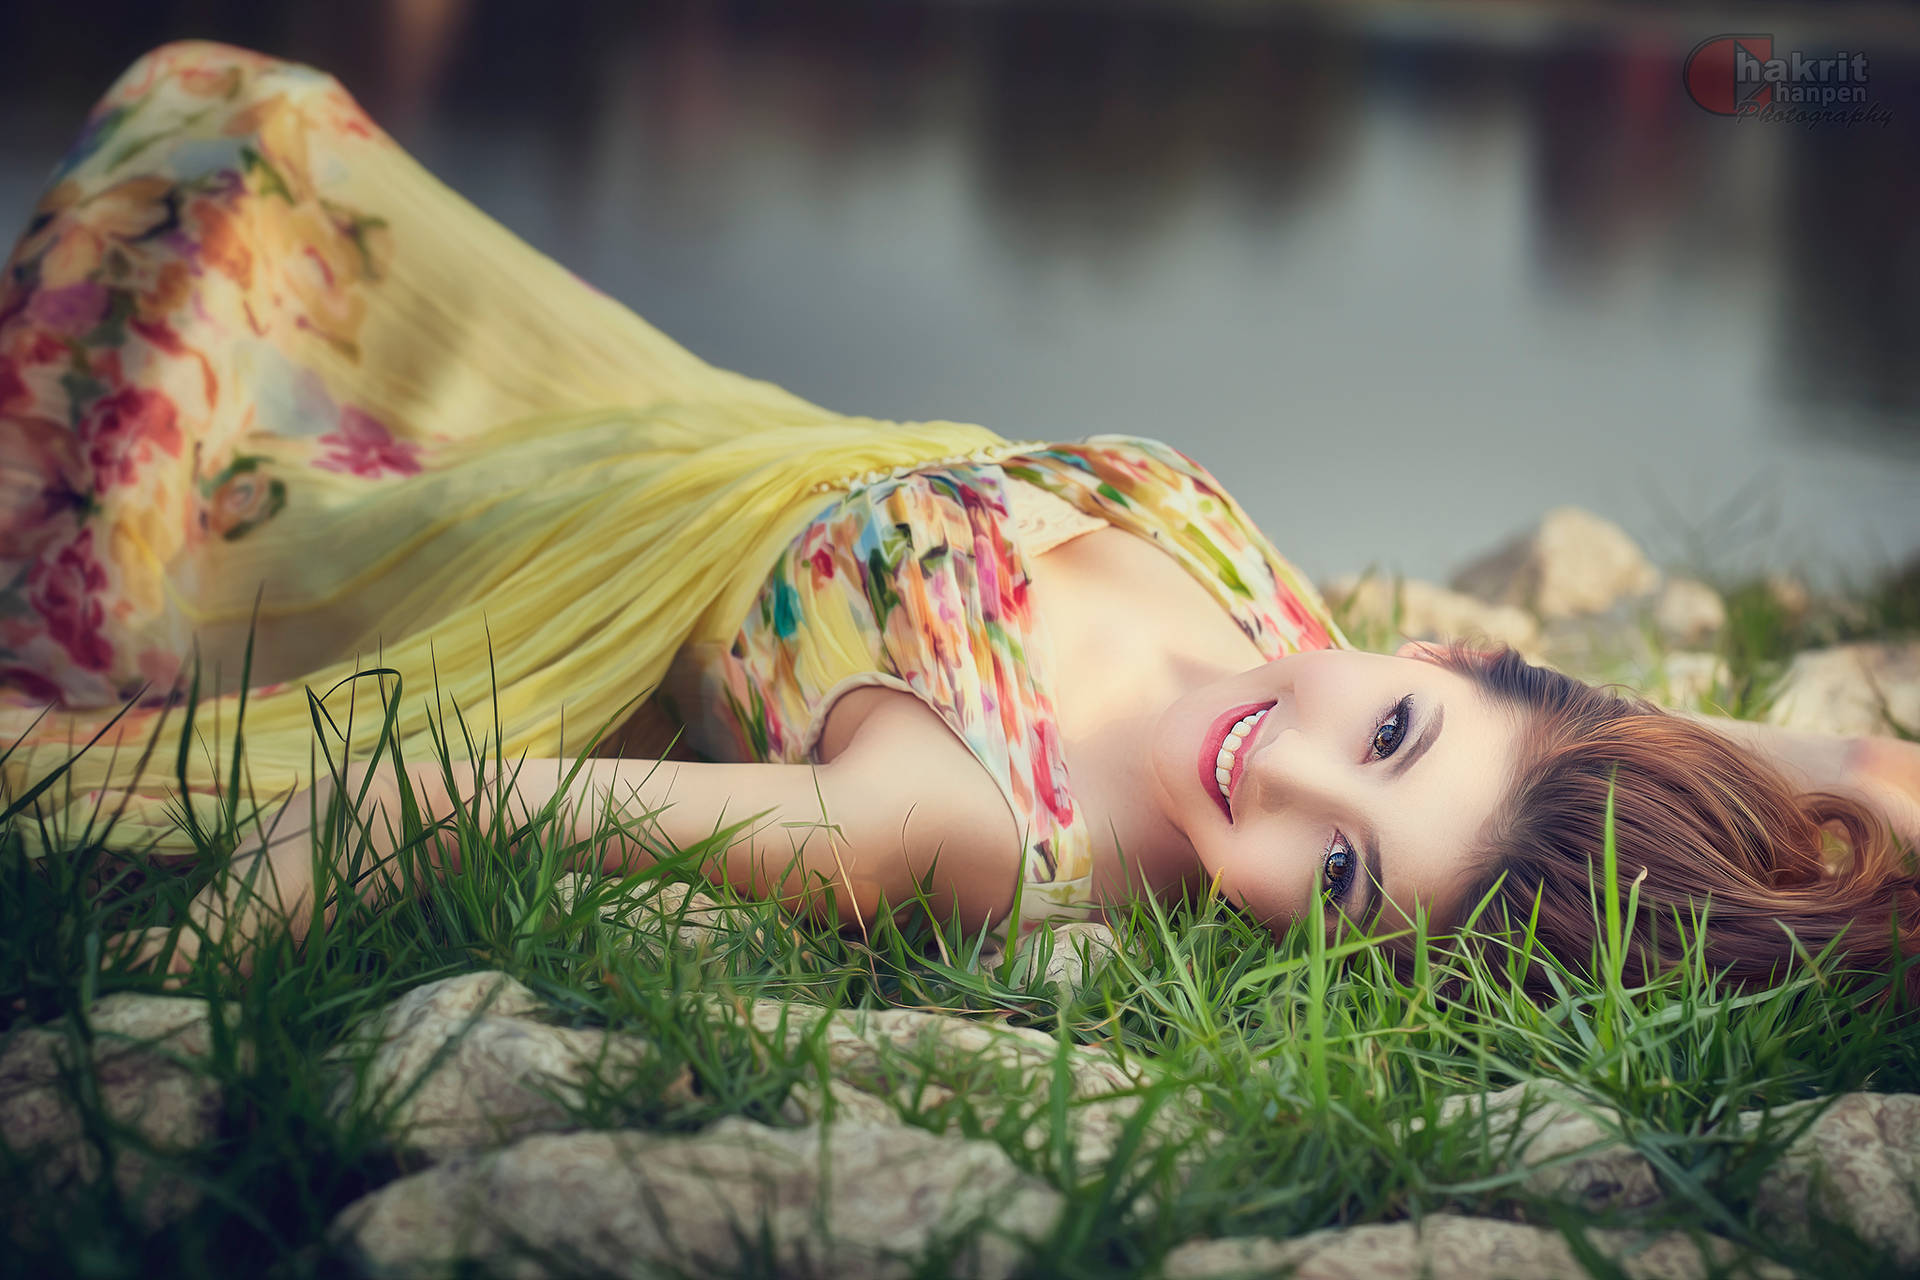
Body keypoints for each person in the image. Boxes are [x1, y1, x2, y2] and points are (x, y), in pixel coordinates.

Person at [3, 44, 1917, 996]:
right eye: (1395, 735)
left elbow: (419, 805)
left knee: (160, 393)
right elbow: (1752, 755)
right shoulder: (1298, 637)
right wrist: (1828, 787)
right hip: (666, 412)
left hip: (543, 545)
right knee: (257, 139)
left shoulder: (969, 833)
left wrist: (184, 1004)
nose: (1299, 781)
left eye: (1341, 878)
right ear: (1440, 656)